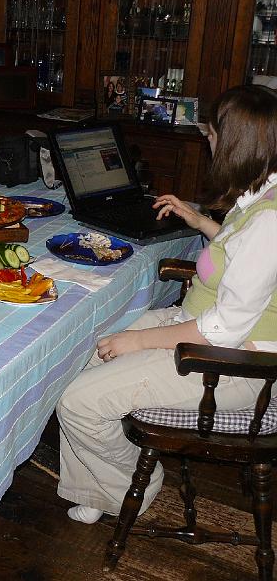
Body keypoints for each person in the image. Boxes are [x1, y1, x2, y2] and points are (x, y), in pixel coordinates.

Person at [57, 84, 277, 525]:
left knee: (77, 401)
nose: (208, 142)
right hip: (203, 331)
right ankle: (99, 486)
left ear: (234, 144)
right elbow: (243, 254)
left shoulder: (270, 222)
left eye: (212, 135)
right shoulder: (262, 194)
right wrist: (199, 220)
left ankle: (132, 486)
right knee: (84, 353)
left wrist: (140, 341)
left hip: (234, 363)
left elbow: (224, 330)